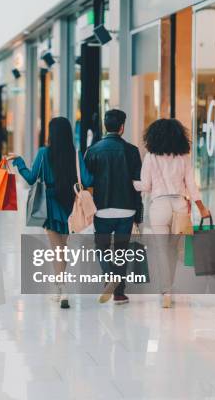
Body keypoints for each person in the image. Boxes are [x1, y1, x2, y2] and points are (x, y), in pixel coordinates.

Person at [7, 117, 92, 309]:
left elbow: (30, 178)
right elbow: (87, 178)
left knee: (57, 251)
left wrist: (19, 161)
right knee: (65, 249)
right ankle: (61, 287)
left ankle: (61, 289)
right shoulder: (76, 154)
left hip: (50, 207)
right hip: (70, 205)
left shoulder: (44, 153)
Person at [133, 118, 211, 308]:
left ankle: (165, 290)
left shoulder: (151, 157)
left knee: (161, 250)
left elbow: (145, 185)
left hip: (159, 206)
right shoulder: (184, 157)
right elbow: (192, 186)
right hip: (179, 206)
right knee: (173, 251)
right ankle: (169, 288)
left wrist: (130, 183)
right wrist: (201, 208)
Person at [84, 109, 142, 305]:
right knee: (121, 250)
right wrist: (139, 216)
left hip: (101, 208)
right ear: (122, 127)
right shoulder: (132, 151)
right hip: (127, 208)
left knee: (101, 247)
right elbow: (137, 185)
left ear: (105, 125)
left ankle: (109, 276)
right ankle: (119, 293)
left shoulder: (93, 151)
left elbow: (86, 181)